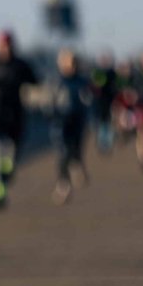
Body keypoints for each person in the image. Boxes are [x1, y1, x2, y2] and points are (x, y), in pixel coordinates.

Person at [0, 30, 38, 209]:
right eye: (1, 45)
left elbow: (35, 80)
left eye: (7, 44)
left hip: (16, 115)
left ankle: (7, 172)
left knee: (12, 153)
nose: (4, 48)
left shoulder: (21, 65)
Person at [50, 49, 91, 205]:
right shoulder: (56, 81)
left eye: (73, 63)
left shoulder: (82, 81)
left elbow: (88, 100)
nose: (70, 66)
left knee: (76, 150)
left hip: (78, 121)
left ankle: (77, 166)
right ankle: (63, 185)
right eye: (66, 62)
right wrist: (52, 114)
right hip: (60, 123)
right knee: (62, 153)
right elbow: (48, 101)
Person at [89, 52, 117, 154]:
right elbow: (91, 88)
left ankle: (107, 145)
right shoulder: (96, 73)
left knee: (108, 125)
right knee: (100, 125)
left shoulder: (112, 73)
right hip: (98, 104)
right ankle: (102, 144)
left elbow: (116, 88)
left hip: (110, 103)